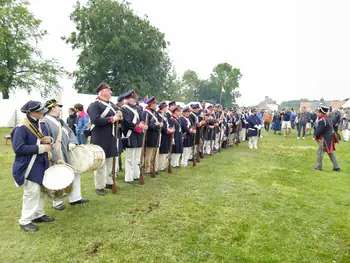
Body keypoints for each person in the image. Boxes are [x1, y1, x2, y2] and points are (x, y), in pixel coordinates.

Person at [11, 101, 55, 232]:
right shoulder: (21, 128)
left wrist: (50, 140)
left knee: (41, 190)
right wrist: (42, 148)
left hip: (41, 163)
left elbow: (46, 140)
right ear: (30, 112)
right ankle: (25, 220)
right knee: (32, 192)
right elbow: (19, 148)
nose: (43, 113)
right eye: (40, 111)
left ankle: (38, 214)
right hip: (29, 164)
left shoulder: (41, 125)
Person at [44, 99, 89, 210]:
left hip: (68, 151)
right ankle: (57, 202)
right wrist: (55, 156)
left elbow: (70, 131)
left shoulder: (60, 121)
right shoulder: (45, 122)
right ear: (52, 107)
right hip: (56, 153)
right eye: (58, 107)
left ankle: (75, 197)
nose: (60, 109)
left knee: (75, 173)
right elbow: (46, 141)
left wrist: (73, 142)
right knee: (58, 176)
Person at [87, 83, 121, 195]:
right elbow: (95, 120)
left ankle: (109, 181)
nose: (111, 92)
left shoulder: (110, 104)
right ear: (102, 92)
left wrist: (119, 115)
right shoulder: (94, 105)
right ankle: (99, 186)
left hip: (110, 136)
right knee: (100, 163)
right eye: (108, 90)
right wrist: (112, 119)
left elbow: (117, 115)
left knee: (110, 161)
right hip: (100, 137)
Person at [121, 90, 147, 183]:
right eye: (133, 98)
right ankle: (128, 177)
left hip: (138, 135)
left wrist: (142, 124)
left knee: (137, 157)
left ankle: (136, 175)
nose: (135, 100)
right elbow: (127, 122)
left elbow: (141, 119)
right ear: (127, 99)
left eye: (135, 98)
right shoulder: (123, 109)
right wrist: (137, 127)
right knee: (130, 158)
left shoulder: (136, 109)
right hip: (130, 135)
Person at [314, 105, 340, 172]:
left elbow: (318, 131)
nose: (318, 113)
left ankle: (318, 167)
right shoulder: (329, 119)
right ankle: (336, 167)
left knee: (319, 153)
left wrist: (315, 135)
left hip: (324, 139)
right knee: (331, 153)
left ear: (321, 112)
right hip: (330, 138)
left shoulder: (322, 120)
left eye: (319, 112)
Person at [142, 96, 162, 176]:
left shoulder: (155, 113)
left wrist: (160, 124)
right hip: (149, 136)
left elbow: (159, 120)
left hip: (156, 135)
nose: (156, 105)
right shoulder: (145, 113)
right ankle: (147, 169)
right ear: (151, 104)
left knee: (155, 153)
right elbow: (145, 125)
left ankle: (153, 168)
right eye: (155, 103)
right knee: (148, 154)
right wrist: (155, 125)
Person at [157, 102, 174, 172]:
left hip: (167, 134)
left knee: (166, 150)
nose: (166, 108)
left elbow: (167, 124)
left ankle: (163, 165)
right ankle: (160, 166)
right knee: (162, 151)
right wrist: (167, 130)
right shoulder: (158, 115)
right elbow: (162, 126)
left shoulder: (165, 115)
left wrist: (170, 129)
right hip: (163, 134)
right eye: (165, 107)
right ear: (162, 108)